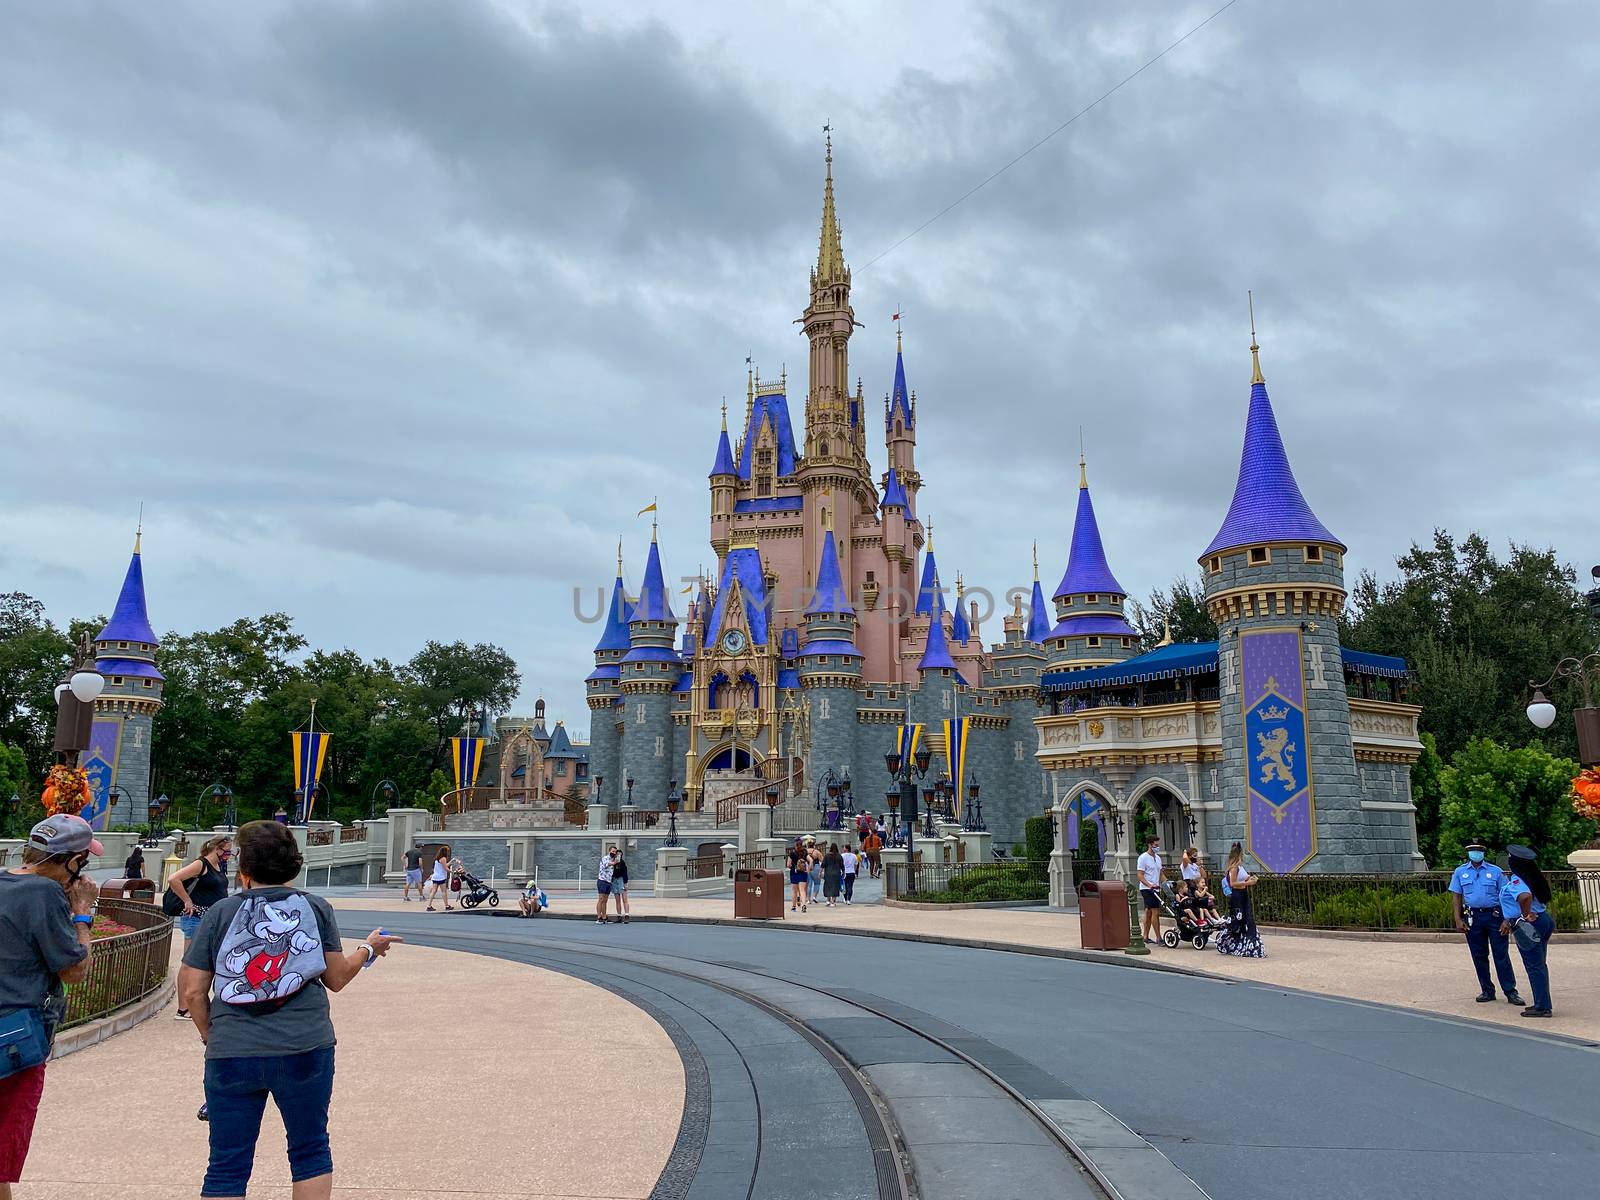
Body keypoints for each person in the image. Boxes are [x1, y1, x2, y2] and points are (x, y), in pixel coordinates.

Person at [178, 819, 400, 1198]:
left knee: (227, 1165)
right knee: (309, 1149)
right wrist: (368, 949)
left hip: (233, 1050)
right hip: (304, 1046)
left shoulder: (220, 913)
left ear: (244, 870)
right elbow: (336, 978)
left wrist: (210, 1035)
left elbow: (193, 991)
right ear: (293, 866)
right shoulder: (314, 908)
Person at [0, 815, 100, 1197]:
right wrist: (82, 914)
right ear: (70, 860)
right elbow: (75, 970)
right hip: (14, 1039)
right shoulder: (42, 893)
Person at [1448, 836, 1523, 1006]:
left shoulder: (1495, 871)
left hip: (1495, 916)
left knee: (1501, 955)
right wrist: (1458, 918)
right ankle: (1487, 990)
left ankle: (1510, 991)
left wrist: (1507, 919)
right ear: (1468, 852)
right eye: (1473, 850)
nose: (1476, 853)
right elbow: (1457, 896)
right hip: (1473, 917)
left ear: (1484, 852)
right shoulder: (1460, 872)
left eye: (1479, 850)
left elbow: (1506, 896)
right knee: (1479, 955)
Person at [167, 836, 235, 1020]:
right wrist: (187, 900)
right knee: (189, 963)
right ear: (217, 849)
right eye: (227, 851)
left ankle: (196, 1005)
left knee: (205, 962)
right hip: (196, 918)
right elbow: (174, 879)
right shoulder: (201, 864)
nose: (229, 855)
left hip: (212, 919)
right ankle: (183, 1008)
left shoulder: (220, 866)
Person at [1501, 844, 1555, 1018]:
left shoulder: (1517, 879)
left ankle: (1542, 1006)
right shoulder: (1533, 876)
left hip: (1528, 925)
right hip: (1544, 920)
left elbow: (1524, 896)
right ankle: (1542, 1002)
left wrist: (1525, 915)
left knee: (1534, 966)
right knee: (1540, 964)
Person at [1214, 842, 1265, 958]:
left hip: (1243, 894)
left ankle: (1250, 944)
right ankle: (1234, 943)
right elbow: (1232, 883)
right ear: (1239, 855)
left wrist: (1250, 879)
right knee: (1239, 919)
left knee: (1247, 918)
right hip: (1237, 896)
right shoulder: (1234, 868)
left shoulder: (1241, 868)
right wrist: (1248, 883)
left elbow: (1244, 878)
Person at [1136, 836, 1163, 945]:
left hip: (1156, 888)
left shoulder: (1158, 858)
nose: (1157, 847)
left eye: (1158, 845)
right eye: (1155, 845)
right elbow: (1140, 875)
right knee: (1155, 912)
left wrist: (1167, 883)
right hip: (1147, 889)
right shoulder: (1143, 858)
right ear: (1150, 845)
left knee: (1149, 912)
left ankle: (1145, 936)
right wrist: (1149, 884)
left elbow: (1160, 873)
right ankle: (1158, 937)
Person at [426, 846, 452, 912]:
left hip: (435, 877)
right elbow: (445, 868)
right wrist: (453, 872)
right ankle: (447, 905)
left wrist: (451, 861)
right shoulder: (443, 858)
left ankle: (429, 906)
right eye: (447, 851)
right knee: (444, 891)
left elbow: (445, 865)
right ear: (445, 852)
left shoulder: (437, 858)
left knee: (433, 891)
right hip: (441, 877)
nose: (448, 853)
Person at [609, 845, 630, 923]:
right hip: (614, 880)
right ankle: (619, 916)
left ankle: (627, 915)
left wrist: (626, 883)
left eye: (620, 854)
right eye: (617, 854)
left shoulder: (622, 862)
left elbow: (625, 873)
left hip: (621, 879)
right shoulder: (612, 862)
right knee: (617, 900)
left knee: (625, 899)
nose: (618, 855)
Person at [787, 839, 810, 912]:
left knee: (794, 891)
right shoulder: (805, 852)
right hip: (803, 872)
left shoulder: (792, 853)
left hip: (794, 873)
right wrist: (809, 869)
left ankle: (794, 907)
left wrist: (792, 866)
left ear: (795, 845)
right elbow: (811, 860)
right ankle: (804, 905)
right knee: (802, 890)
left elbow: (788, 865)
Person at [595, 846, 614, 924]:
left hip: (608, 882)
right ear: (609, 851)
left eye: (615, 852)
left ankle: (604, 917)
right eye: (612, 851)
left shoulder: (613, 860)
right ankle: (599, 917)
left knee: (605, 901)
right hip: (602, 881)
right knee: (601, 899)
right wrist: (614, 863)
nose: (613, 853)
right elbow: (606, 864)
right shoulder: (605, 858)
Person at [822, 843, 844, 907]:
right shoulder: (839, 856)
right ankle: (833, 901)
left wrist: (820, 873)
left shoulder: (827, 856)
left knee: (828, 886)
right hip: (836, 873)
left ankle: (828, 900)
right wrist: (843, 872)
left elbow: (823, 865)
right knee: (835, 887)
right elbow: (842, 865)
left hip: (828, 873)